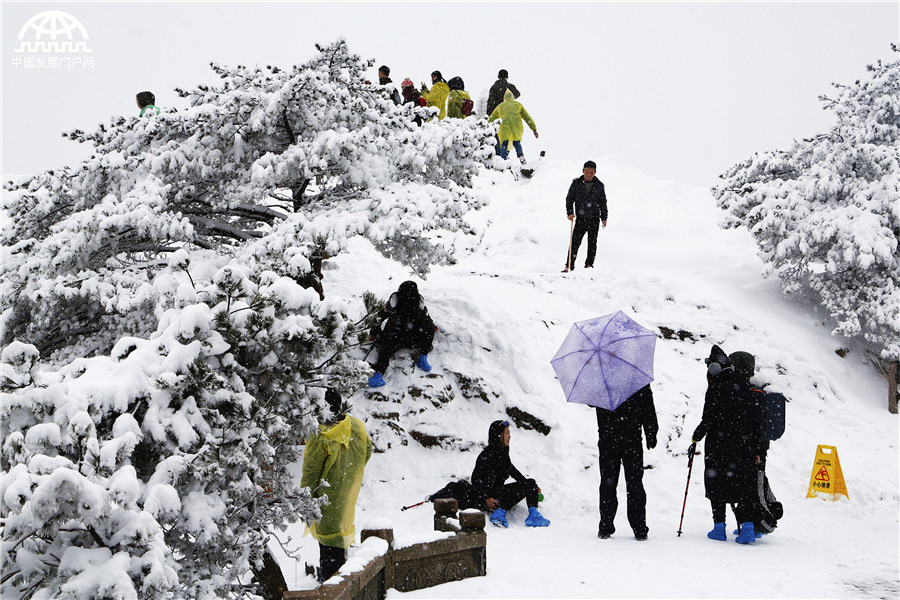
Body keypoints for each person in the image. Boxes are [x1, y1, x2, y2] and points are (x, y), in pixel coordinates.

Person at [691, 345, 765, 544]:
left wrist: (695, 437)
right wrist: (756, 448)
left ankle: (719, 527)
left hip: (718, 446)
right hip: (744, 446)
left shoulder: (715, 389)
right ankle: (748, 528)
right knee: (744, 485)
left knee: (717, 483)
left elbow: (707, 419)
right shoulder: (744, 387)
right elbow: (755, 422)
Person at [301, 388, 373, 581]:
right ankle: (339, 580)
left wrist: (304, 502)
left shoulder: (321, 435)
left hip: (326, 500)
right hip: (347, 495)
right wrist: (350, 475)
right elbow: (368, 450)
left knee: (329, 549)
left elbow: (310, 473)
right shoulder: (356, 425)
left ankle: (333, 587)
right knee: (340, 542)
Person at [595, 385, 658, 540]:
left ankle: (605, 526)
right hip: (632, 438)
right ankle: (639, 528)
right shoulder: (636, 378)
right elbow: (648, 406)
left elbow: (592, 401)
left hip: (608, 438)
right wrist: (651, 431)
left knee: (608, 483)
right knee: (635, 483)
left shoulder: (600, 378)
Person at [471, 420, 550, 528]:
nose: (510, 436)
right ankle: (498, 515)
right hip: (488, 498)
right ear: (498, 436)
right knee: (526, 484)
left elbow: (512, 470)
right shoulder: (486, 455)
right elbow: (475, 480)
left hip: (498, 492)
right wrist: (487, 497)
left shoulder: (503, 452)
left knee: (530, 483)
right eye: (507, 433)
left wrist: (530, 487)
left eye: (509, 433)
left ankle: (533, 515)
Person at [368, 281, 435, 387]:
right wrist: (374, 333)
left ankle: (422, 358)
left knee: (428, 331)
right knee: (385, 349)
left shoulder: (419, 303)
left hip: (412, 335)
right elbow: (379, 317)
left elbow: (426, 318)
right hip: (396, 335)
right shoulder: (394, 303)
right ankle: (378, 375)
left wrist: (431, 327)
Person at [562, 160, 608, 272]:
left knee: (592, 243)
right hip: (581, 219)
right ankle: (569, 265)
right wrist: (570, 213)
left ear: (595, 172)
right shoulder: (576, 184)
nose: (589, 174)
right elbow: (569, 199)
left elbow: (603, 203)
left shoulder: (599, 186)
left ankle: (589, 265)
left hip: (594, 218)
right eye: (587, 171)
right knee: (575, 243)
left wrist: (604, 218)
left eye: (592, 172)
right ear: (583, 171)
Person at [488, 89, 538, 164]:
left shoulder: (501, 106)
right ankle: (521, 156)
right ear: (512, 97)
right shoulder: (518, 105)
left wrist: (485, 126)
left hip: (505, 126)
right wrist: (534, 129)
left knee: (504, 143)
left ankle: (503, 160)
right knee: (516, 142)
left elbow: (492, 118)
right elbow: (527, 117)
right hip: (516, 126)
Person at [486, 69, 521, 154]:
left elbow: (490, 102)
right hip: (509, 115)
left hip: (497, 115)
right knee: (507, 137)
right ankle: (505, 155)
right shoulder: (510, 87)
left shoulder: (494, 87)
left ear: (498, 77)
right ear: (507, 77)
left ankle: (499, 154)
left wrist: (489, 116)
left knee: (498, 136)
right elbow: (518, 94)